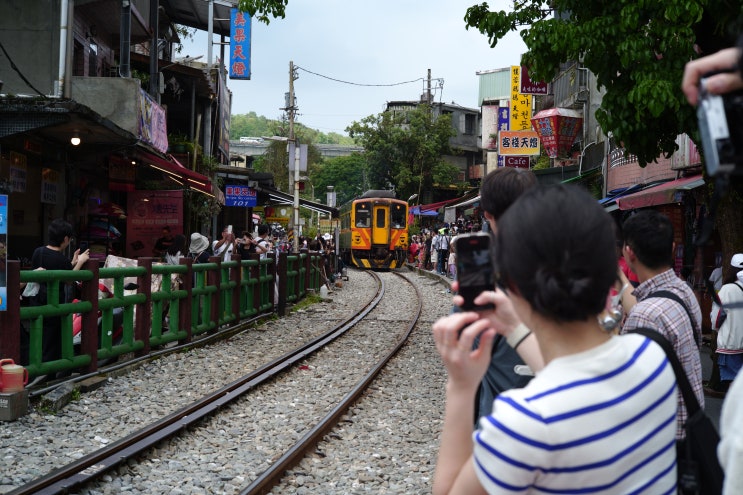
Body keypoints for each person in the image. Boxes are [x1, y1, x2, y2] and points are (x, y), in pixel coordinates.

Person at [432, 185, 677, 494]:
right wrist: (513, 327)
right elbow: (569, 379)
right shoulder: (652, 358)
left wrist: (461, 388)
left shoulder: (524, 422)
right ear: (613, 269)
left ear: (512, 284)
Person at [453, 167, 543, 421]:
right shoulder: (565, 268)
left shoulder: (481, 277)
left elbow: (465, 356)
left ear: (487, 214)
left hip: (499, 425)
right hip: (561, 422)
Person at [617, 210, 704, 439]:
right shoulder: (683, 291)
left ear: (629, 252)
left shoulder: (645, 316)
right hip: (691, 425)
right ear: (673, 248)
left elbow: (628, 389)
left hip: (664, 439)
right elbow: (645, 308)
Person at [30, 218, 90, 363]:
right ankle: (49, 370)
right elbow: (69, 280)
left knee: (37, 336)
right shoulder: (61, 259)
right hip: (54, 304)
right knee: (52, 340)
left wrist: (73, 262)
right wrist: (81, 261)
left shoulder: (38, 252)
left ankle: (36, 365)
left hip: (36, 301)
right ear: (65, 239)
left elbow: (57, 269)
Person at [710, 253, 743, 392]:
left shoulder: (727, 289)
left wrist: (716, 328)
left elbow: (718, 316)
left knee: (734, 386)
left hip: (732, 345)